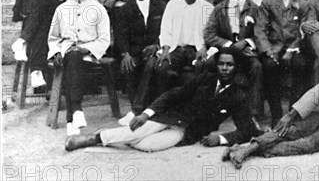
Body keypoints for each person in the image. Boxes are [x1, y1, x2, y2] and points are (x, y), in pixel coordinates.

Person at [65, 48, 262, 152]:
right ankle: (93, 139)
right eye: (222, 64)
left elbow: (247, 130)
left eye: (229, 65)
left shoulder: (238, 95)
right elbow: (174, 94)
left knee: (146, 146)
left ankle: (123, 135)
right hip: (169, 117)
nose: (225, 68)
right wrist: (146, 113)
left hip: (186, 131)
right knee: (142, 129)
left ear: (235, 68)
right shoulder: (205, 78)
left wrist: (220, 139)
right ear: (217, 65)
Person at [48, 0, 111, 136]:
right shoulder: (61, 9)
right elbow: (53, 38)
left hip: (90, 53)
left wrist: (86, 48)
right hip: (68, 51)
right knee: (72, 57)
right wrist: (55, 52)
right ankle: (75, 110)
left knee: (74, 58)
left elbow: (104, 39)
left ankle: (72, 116)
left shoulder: (98, 9)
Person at [204, 0, 263, 125]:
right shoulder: (219, 8)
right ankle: (209, 111)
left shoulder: (255, 9)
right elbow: (209, 34)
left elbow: (262, 33)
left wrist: (247, 42)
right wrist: (230, 45)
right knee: (208, 64)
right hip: (226, 52)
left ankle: (254, 113)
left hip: (246, 53)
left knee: (256, 66)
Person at [255, 0, 311, 127]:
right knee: (269, 66)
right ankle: (276, 115)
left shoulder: (303, 3)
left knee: (300, 65)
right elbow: (260, 29)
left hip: (295, 47)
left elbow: (304, 30)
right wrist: (268, 50)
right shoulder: (268, 2)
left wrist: (292, 49)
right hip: (274, 47)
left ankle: (293, 115)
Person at [114, 0, 166, 125]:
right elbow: (120, 35)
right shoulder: (125, 8)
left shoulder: (160, 6)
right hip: (134, 52)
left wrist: (156, 44)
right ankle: (136, 107)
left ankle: (137, 110)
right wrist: (125, 54)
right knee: (128, 66)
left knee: (151, 64)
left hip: (154, 50)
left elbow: (166, 30)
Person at [155, 0, 214, 95]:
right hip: (177, 49)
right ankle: (163, 106)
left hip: (196, 49)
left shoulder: (207, 7)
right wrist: (165, 49)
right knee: (163, 66)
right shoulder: (173, 4)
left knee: (201, 68)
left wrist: (204, 47)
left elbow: (210, 33)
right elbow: (166, 29)